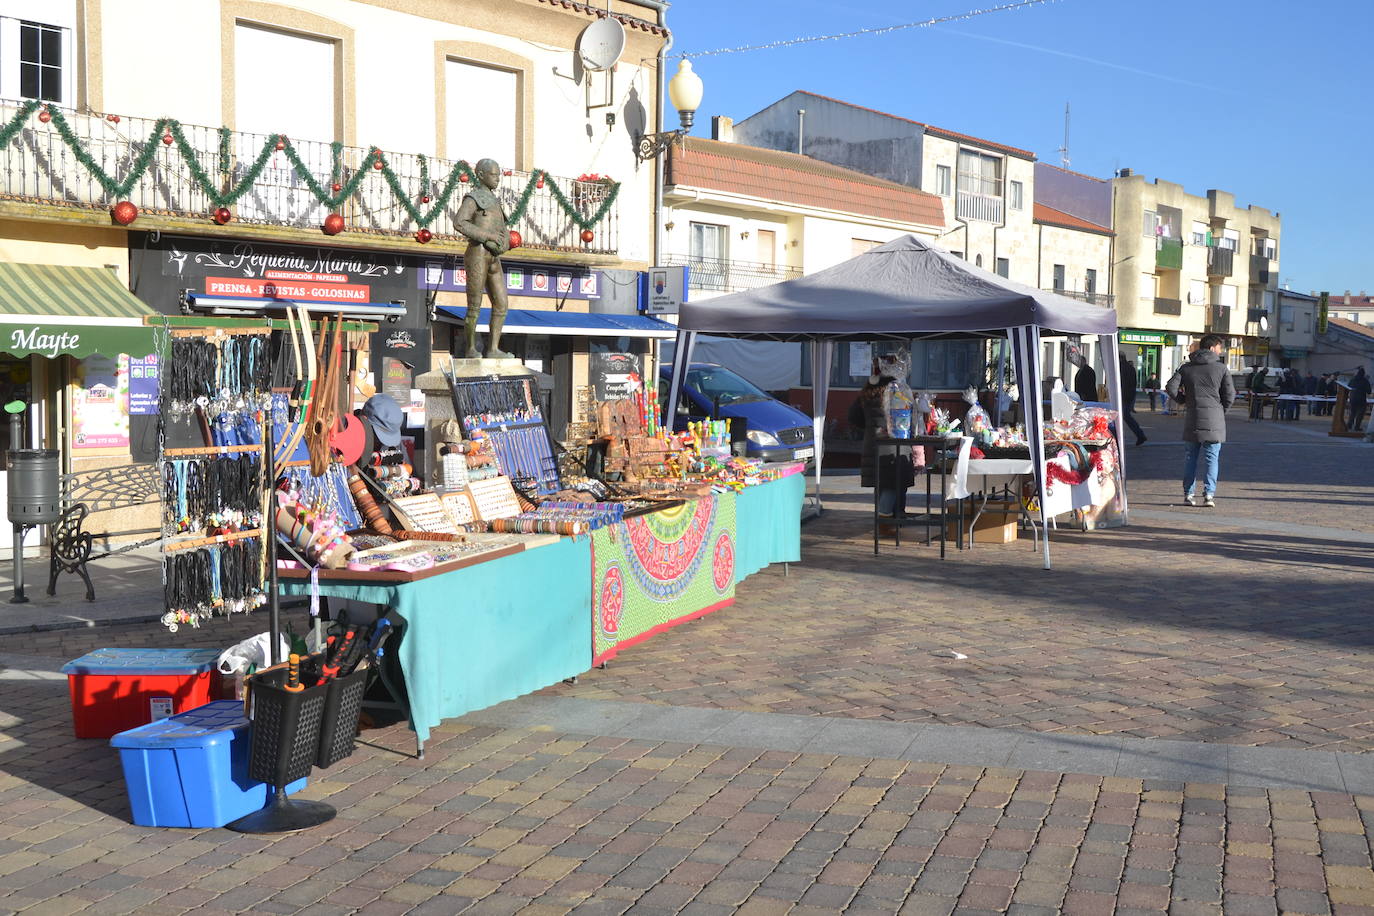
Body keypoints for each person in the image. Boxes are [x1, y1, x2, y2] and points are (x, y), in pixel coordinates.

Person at [1166, 334, 1235, 508]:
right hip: (1215, 421)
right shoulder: (1221, 369)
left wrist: (1183, 400)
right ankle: (1209, 494)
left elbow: (1170, 387)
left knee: (1190, 458)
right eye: (1220, 347)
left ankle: (1188, 494)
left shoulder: (1186, 368)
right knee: (1212, 458)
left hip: (1193, 418)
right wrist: (1221, 410)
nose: (1221, 351)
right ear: (1212, 348)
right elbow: (1230, 394)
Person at [454, 158, 514, 359]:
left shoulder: (495, 202)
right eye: (493, 174)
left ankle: (493, 348)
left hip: (494, 256)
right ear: (481, 175)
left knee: (501, 303)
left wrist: (504, 242)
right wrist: (487, 236)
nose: (497, 179)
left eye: (498, 175)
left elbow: (502, 229)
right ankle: (471, 348)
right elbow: (460, 222)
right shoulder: (472, 198)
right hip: (477, 253)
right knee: (474, 303)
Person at [849, 353, 916, 527]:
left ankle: (886, 519)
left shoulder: (867, 392)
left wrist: (871, 427)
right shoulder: (899, 391)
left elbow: (853, 417)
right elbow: (911, 420)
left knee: (883, 484)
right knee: (893, 483)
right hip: (895, 445)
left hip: (873, 444)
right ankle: (886, 521)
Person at [1119, 354, 1146, 446]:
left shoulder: (1121, 368)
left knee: (1124, 416)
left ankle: (1139, 435)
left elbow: (1122, 383)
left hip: (1123, 396)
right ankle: (1140, 434)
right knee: (1125, 416)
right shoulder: (1130, 368)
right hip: (1129, 395)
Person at [1348, 367, 1371, 432]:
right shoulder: (1365, 381)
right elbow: (1369, 391)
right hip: (1361, 399)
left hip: (1352, 398)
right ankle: (1357, 427)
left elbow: (1348, 386)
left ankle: (1349, 425)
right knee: (1360, 414)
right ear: (1363, 374)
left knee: (1352, 412)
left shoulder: (1352, 379)